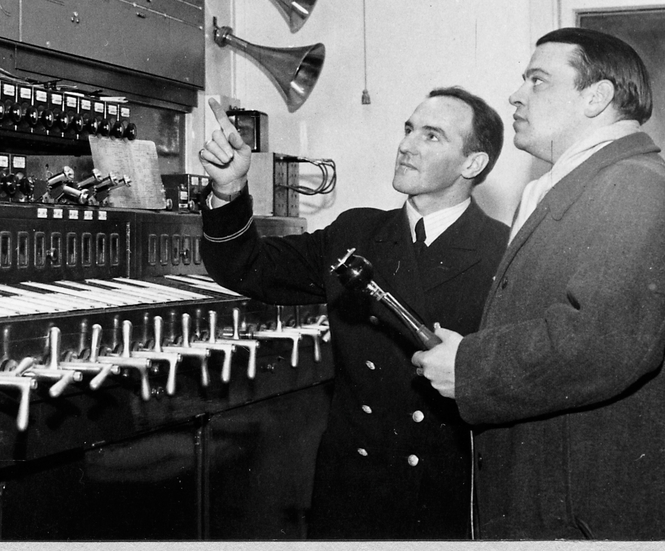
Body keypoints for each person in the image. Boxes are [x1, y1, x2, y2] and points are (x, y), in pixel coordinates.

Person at [412, 28, 665, 540]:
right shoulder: (571, 185)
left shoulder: (638, 185)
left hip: (587, 518)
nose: (516, 95)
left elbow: (603, 339)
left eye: (538, 80)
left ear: (596, 97)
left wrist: (470, 367)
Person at [198, 87, 507, 540]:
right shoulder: (356, 231)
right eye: (408, 129)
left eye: (432, 136)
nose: (406, 145)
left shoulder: (504, 251)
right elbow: (247, 266)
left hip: (442, 500)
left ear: (472, 163)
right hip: (350, 491)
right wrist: (228, 189)